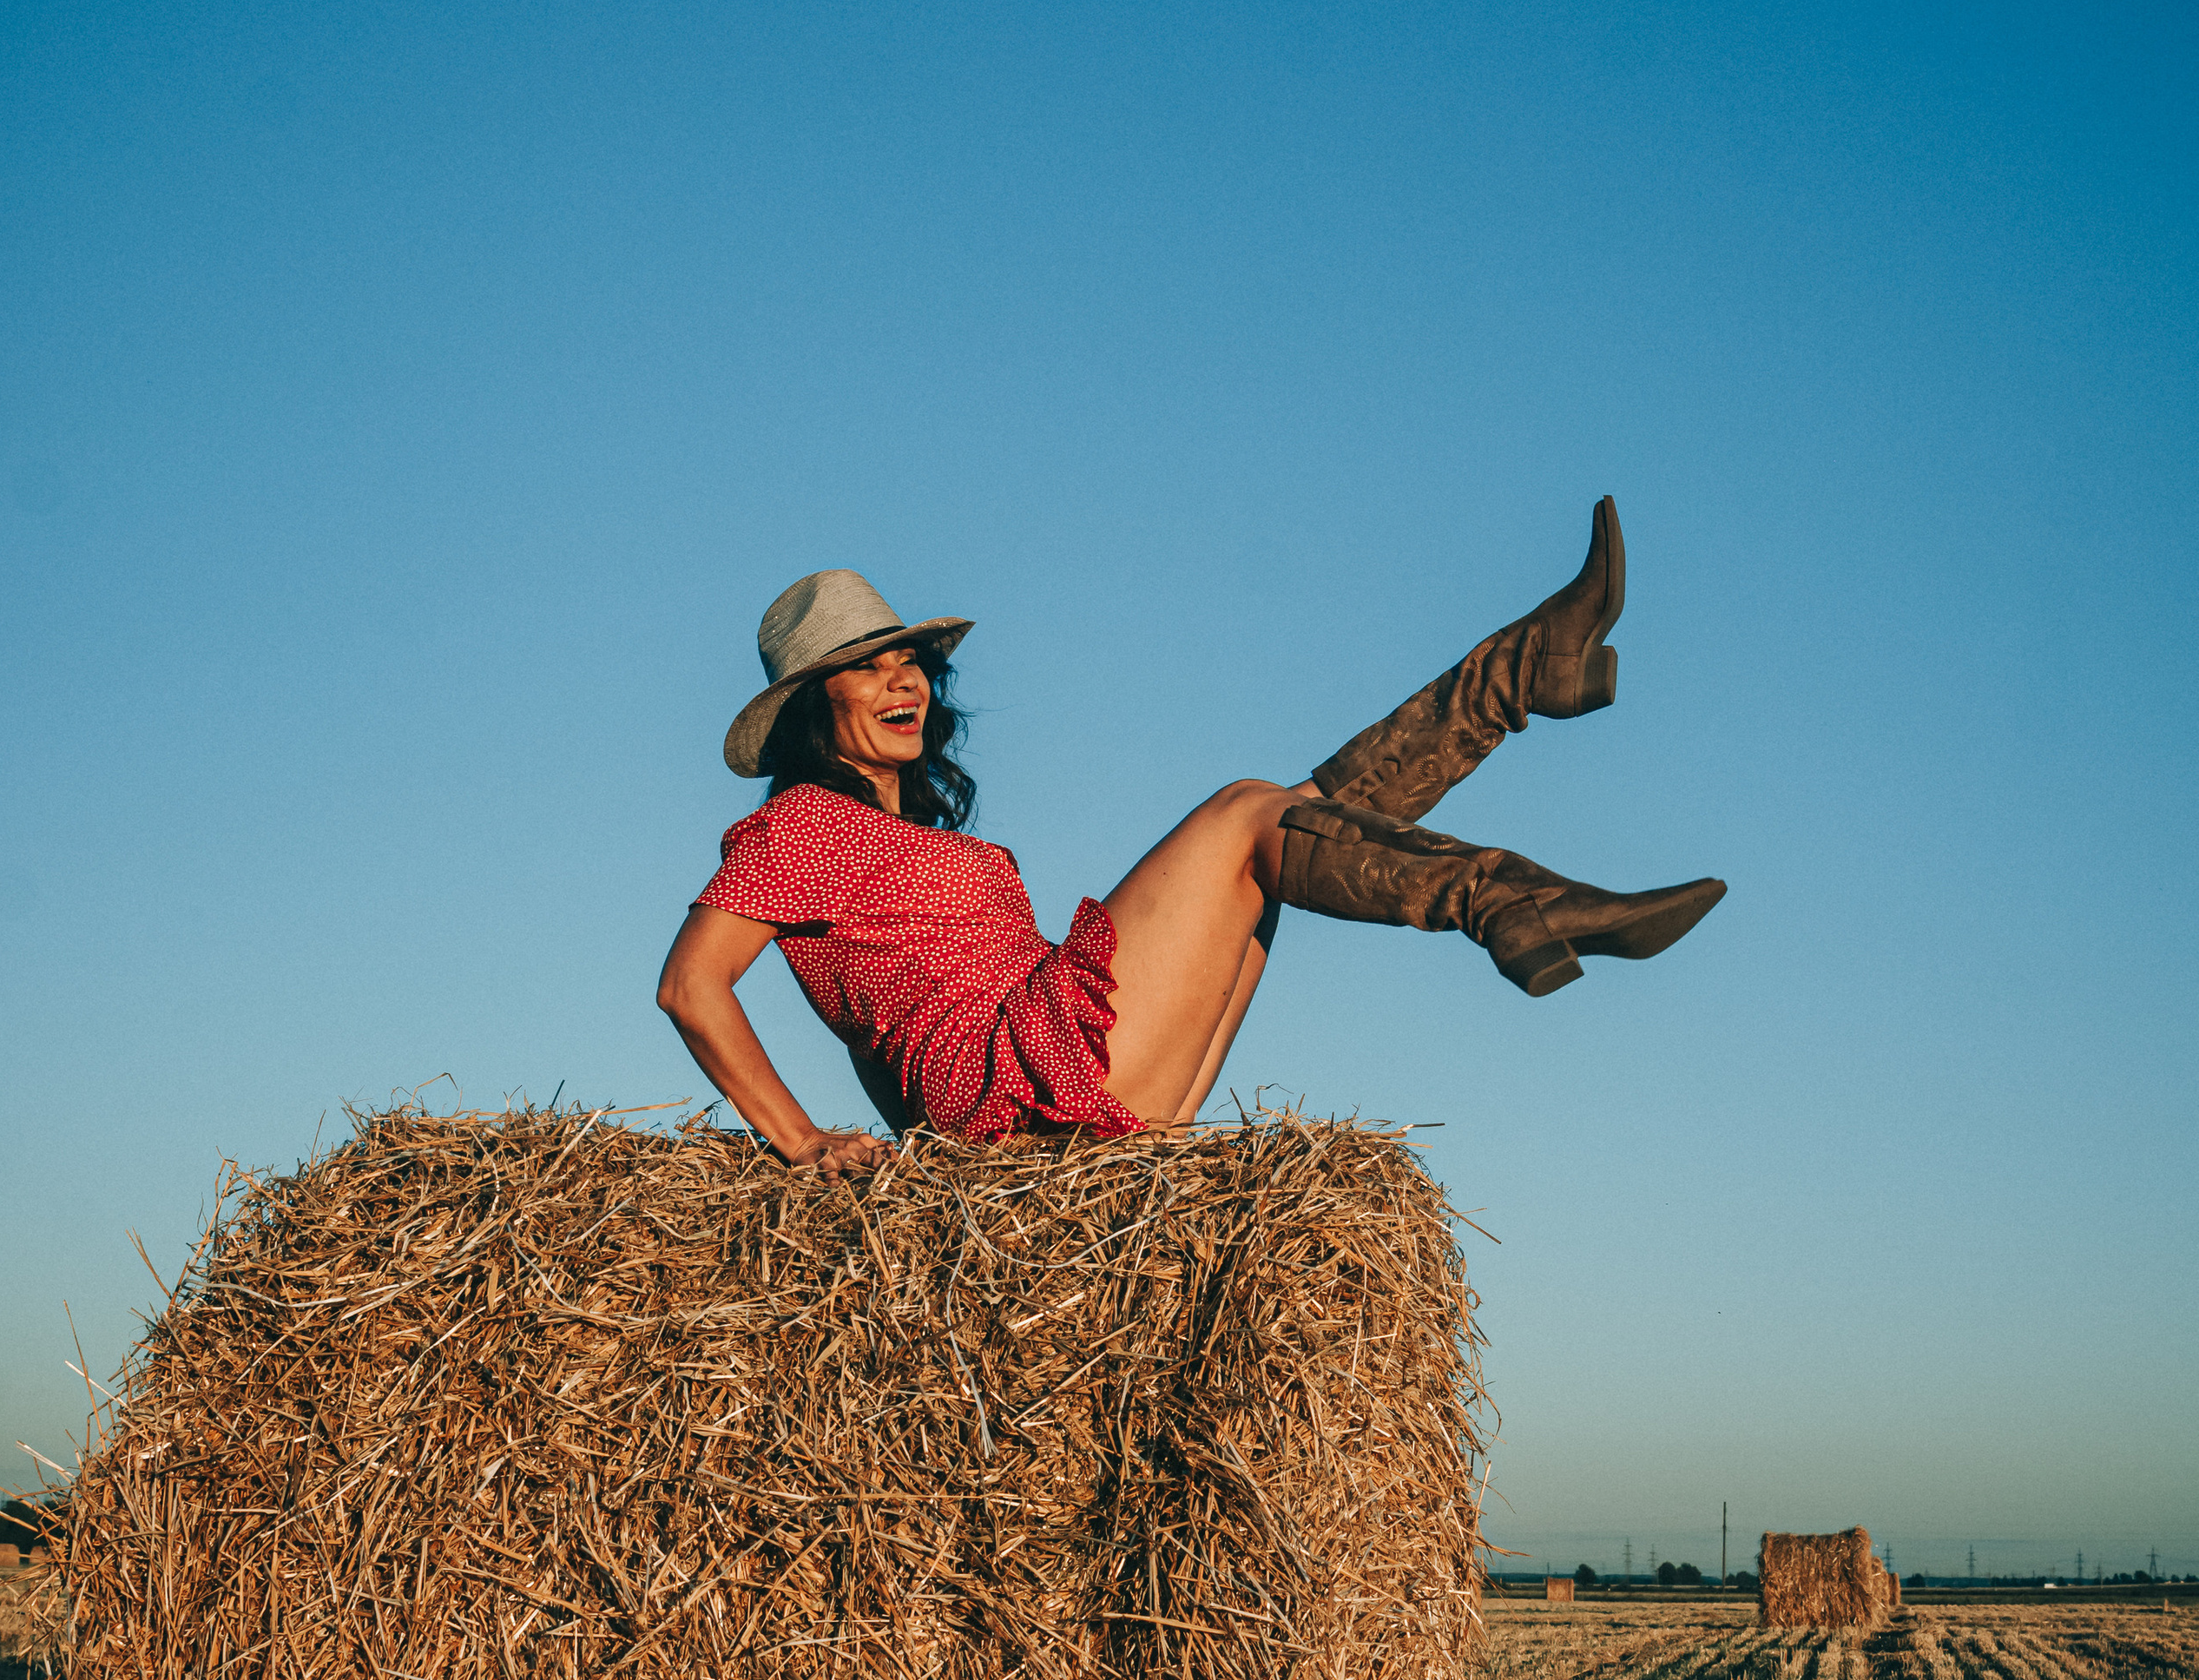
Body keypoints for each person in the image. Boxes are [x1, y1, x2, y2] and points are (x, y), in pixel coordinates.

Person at [657, 505, 1723, 1180]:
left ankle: (1518, 676)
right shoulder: (798, 824)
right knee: (1245, 812)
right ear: (810, 705)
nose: (905, 682)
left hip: (1054, 1093)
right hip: (1004, 1098)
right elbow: (692, 986)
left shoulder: (916, 837)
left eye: (912, 664)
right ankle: (1509, 896)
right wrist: (800, 1144)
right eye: (869, 666)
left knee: (1287, 817)